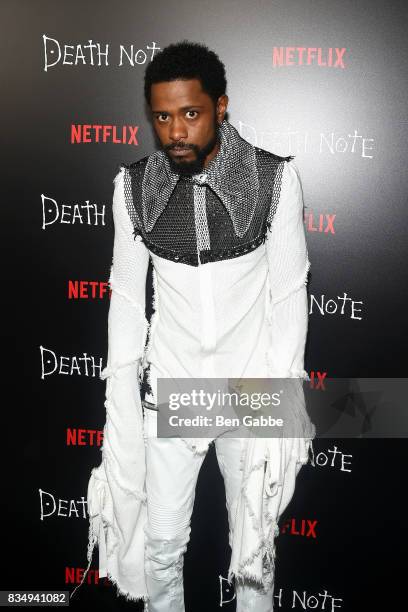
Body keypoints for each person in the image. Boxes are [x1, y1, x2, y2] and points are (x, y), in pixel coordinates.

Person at [70, 40, 315, 611]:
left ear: (220, 107)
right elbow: (128, 302)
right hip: (173, 390)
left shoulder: (273, 182)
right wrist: (123, 397)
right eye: (162, 116)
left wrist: (281, 398)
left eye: (190, 113)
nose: (176, 130)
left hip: (249, 392)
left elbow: (288, 296)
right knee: (160, 548)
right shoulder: (132, 188)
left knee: (255, 558)